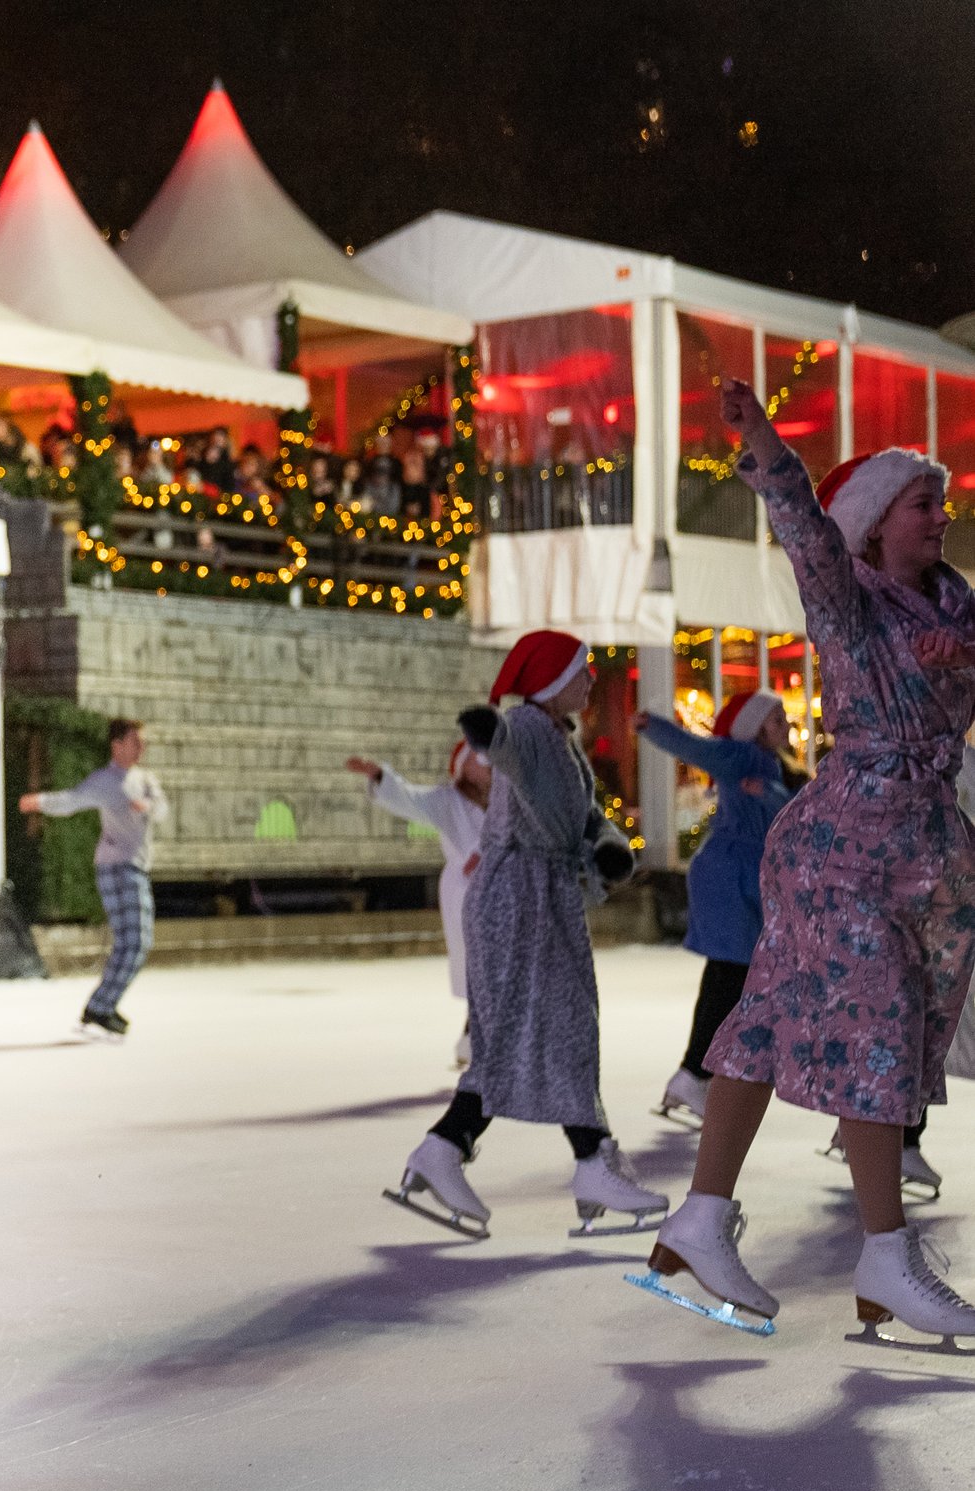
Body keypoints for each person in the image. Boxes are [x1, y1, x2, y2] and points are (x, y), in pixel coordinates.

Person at [639, 380, 975, 1342]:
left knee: (768, 1019)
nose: (941, 517)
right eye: (924, 504)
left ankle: (701, 1215)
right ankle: (886, 1254)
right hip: (844, 847)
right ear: (873, 526)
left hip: (921, 844)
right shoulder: (849, 601)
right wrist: (768, 451)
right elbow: (808, 538)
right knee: (879, 1026)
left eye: (942, 504)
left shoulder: (960, 609)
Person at [383, 630, 660, 1239]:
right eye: (582, 671)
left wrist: (608, 844)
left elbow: (581, 812)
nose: (591, 680)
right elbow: (507, 748)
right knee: (547, 1027)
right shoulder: (530, 728)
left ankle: (459, 1149)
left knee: (548, 1028)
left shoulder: (560, 737)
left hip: (541, 895)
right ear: (552, 681)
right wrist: (490, 734)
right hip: (517, 898)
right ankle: (583, 1159)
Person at [631, 691, 795, 1129]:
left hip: (739, 875)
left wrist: (770, 791)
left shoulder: (769, 764)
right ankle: (693, 1074)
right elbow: (695, 748)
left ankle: (693, 1073)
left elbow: (785, 810)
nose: (786, 724)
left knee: (728, 976)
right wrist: (654, 726)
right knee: (731, 977)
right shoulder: (739, 754)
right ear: (754, 727)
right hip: (727, 875)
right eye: (777, 718)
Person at [17, 718, 168, 1040]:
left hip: (135, 866)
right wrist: (41, 802)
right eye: (135, 742)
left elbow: (162, 809)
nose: (142, 748)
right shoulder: (105, 781)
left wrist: (149, 806)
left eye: (143, 743)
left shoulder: (144, 780)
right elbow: (73, 800)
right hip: (116, 867)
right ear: (117, 745)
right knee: (136, 941)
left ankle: (101, 1006)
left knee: (134, 943)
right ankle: (100, 1007)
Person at [347, 737, 491, 1066]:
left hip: (505, 892)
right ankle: (476, 1036)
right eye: (479, 758)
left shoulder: (506, 802)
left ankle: (482, 1037)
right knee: (480, 967)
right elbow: (412, 799)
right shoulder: (448, 800)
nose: (488, 766)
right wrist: (381, 776)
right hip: (467, 895)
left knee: (503, 968)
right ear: (463, 764)